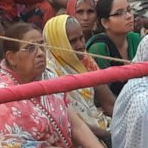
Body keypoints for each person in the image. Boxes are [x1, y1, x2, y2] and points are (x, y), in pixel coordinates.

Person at [0, 22, 103, 147]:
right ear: (11, 58)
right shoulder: (1, 95)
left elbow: (76, 125)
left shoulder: (48, 77)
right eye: (30, 48)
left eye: (42, 46)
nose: (40, 53)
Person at [44, 15, 115, 144]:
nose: (81, 45)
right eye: (72, 41)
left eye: (81, 38)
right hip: (80, 136)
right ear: (58, 42)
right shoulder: (48, 73)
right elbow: (71, 124)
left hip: (101, 124)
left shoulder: (84, 59)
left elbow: (108, 101)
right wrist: (107, 134)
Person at [86, 0, 141, 95]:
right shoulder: (99, 48)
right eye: (118, 13)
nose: (129, 16)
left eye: (129, 10)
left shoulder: (135, 38)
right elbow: (105, 92)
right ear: (105, 23)